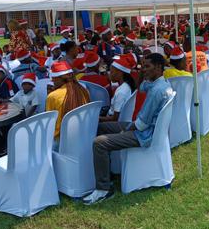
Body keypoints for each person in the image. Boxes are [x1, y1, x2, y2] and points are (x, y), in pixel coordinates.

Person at [83, 53, 172, 205]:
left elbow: (141, 124)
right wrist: (143, 74)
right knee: (102, 127)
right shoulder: (159, 83)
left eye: (147, 67)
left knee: (99, 143)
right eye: (142, 67)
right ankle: (108, 171)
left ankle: (103, 189)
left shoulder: (157, 91)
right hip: (146, 129)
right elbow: (141, 88)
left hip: (144, 134)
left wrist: (125, 131)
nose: (144, 70)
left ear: (158, 67)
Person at [46, 61, 90, 141]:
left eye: (53, 78)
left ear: (58, 78)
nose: (52, 81)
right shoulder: (83, 90)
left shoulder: (53, 96)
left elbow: (49, 124)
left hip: (61, 141)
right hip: (84, 137)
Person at [0, 64, 19, 156]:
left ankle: (5, 146)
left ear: (3, 74)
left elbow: (13, 98)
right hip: (4, 109)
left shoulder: (8, 83)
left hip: (13, 110)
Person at [99, 56, 137, 122]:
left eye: (111, 72)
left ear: (120, 73)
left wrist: (97, 118)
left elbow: (114, 118)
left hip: (116, 123)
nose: (109, 75)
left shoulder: (121, 91)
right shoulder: (126, 86)